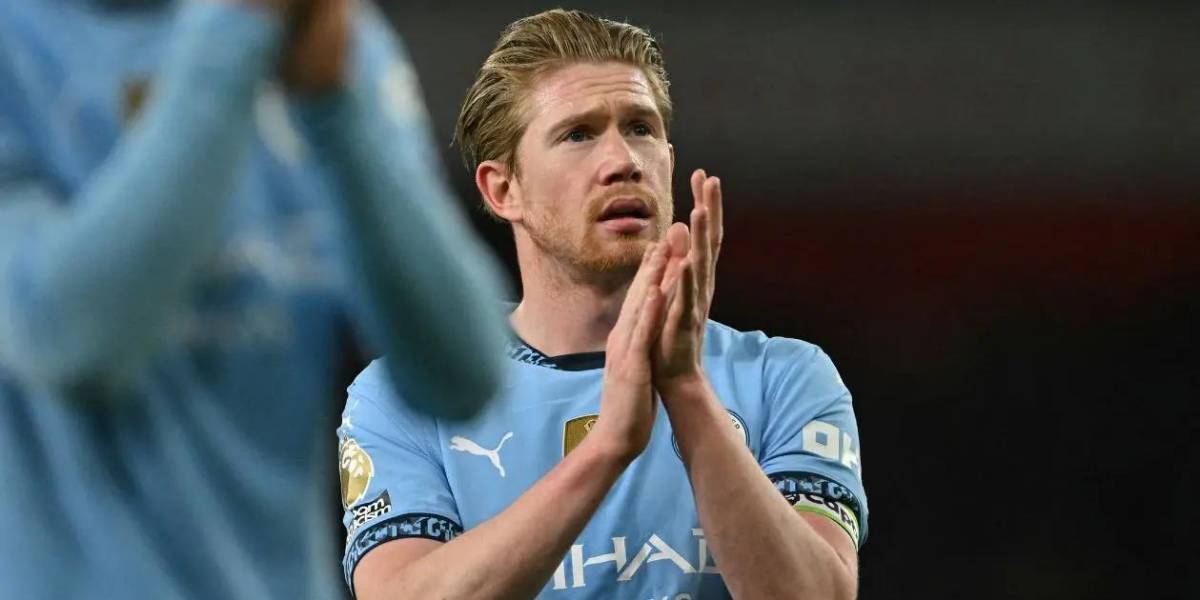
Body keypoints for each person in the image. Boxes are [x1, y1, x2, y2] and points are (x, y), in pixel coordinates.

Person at [338, 8, 867, 599]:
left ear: (669, 160)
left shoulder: (782, 378)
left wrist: (686, 391)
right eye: (578, 135)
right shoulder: (411, 394)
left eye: (640, 128)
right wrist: (607, 448)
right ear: (503, 189)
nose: (623, 162)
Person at [0, 0, 510, 598]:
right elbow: (66, 339)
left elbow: (465, 378)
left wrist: (335, 113)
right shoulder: (21, 43)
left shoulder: (325, 30)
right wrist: (236, 33)